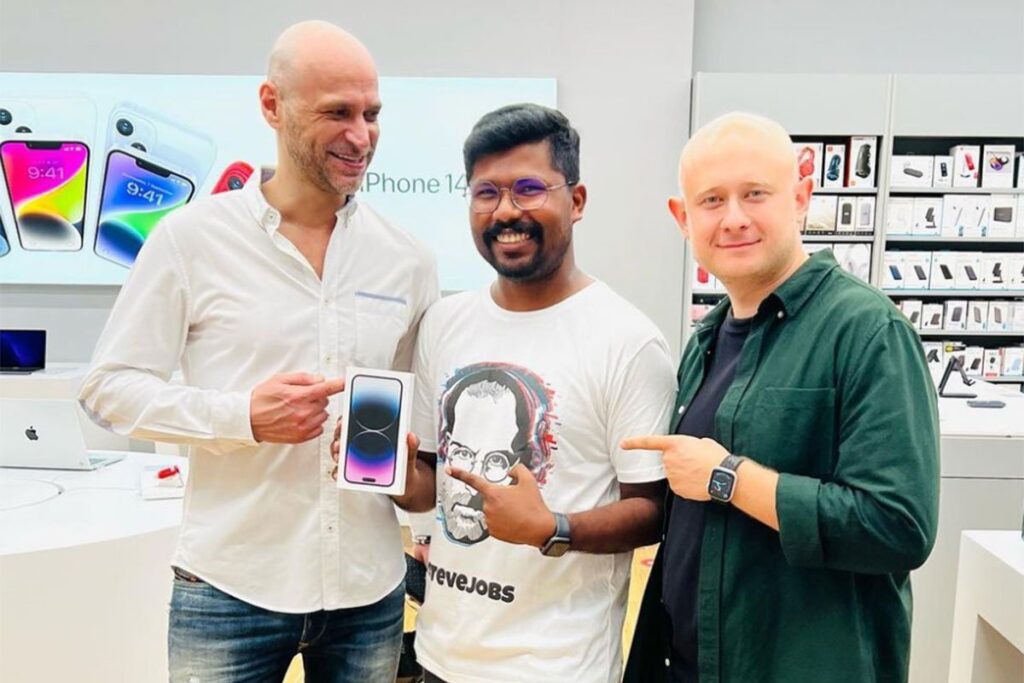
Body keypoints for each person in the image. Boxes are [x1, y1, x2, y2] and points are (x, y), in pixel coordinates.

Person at [79, 20, 438, 683]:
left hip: (368, 589)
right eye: (337, 112)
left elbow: (415, 430)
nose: (361, 136)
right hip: (229, 588)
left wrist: (408, 476)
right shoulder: (190, 240)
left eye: (371, 114)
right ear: (272, 104)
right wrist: (242, 417)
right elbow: (108, 388)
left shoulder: (407, 259)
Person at [622, 112, 940, 683]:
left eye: (755, 194)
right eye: (712, 200)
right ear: (682, 218)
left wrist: (728, 478)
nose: (734, 218)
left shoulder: (868, 331)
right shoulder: (705, 341)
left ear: (800, 197)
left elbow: (897, 527)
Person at [385, 102, 676, 683]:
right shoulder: (444, 323)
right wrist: (388, 473)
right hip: (441, 657)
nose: (505, 212)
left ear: (577, 200)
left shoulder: (627, 341)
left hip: (558, 667)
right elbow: (429, 486)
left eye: (528, 189)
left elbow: (652, 510)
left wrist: (553, 528)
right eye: (486, 193)